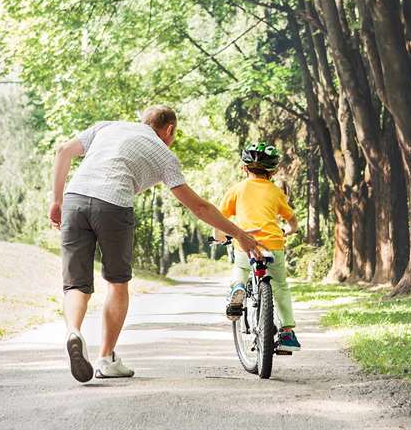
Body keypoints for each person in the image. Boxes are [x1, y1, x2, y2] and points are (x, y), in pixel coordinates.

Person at [48, 105, 263, 383]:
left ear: (142, 121)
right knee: (117, 282)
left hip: (75, 199)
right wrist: (241, 234)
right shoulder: (164, 153)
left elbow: (63, 151)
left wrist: (56, 200)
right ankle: (106, 358)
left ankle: (74, 331)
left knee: (76, 283)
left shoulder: (107, 126)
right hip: (113, 205)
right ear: (169, 129)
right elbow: (198, 207)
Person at [214, 142, 301, 352]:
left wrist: (219, 237)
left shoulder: (236, 189)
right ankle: (287, 333)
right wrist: (289, 231)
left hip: (245, 241)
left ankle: (238, 287)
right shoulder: (276, 192)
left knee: (241, 268)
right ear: (273, 171)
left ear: (244, 168)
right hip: (273, 244)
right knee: (280, 286)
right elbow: (292, 221)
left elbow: (220, 218)